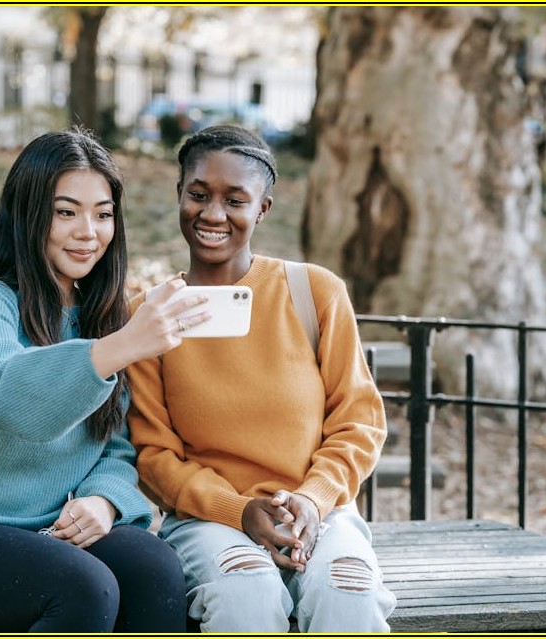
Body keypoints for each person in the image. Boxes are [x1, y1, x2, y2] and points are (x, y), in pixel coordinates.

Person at [0, 128, 210, 633]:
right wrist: (119, 347)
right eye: (66, 212)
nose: (88, 231)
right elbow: (8, 401)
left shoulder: (101, 315)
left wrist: (105, 501)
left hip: (52, 528)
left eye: (103, 214)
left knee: (155, 569)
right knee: (85, 587)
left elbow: (115, 446)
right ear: (28, 212)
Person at [127, 124, 397, 632]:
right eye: (198, 195)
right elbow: (153, 455)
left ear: (262, 209)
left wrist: (313, 500)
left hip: (321, 514)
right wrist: (239, 510)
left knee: (347, 595)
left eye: (235, 199)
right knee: (245, 594)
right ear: (180, 196)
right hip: (209, 522)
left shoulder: (314, 292)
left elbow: (358, 421)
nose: (212, 214)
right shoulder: (149, 315)